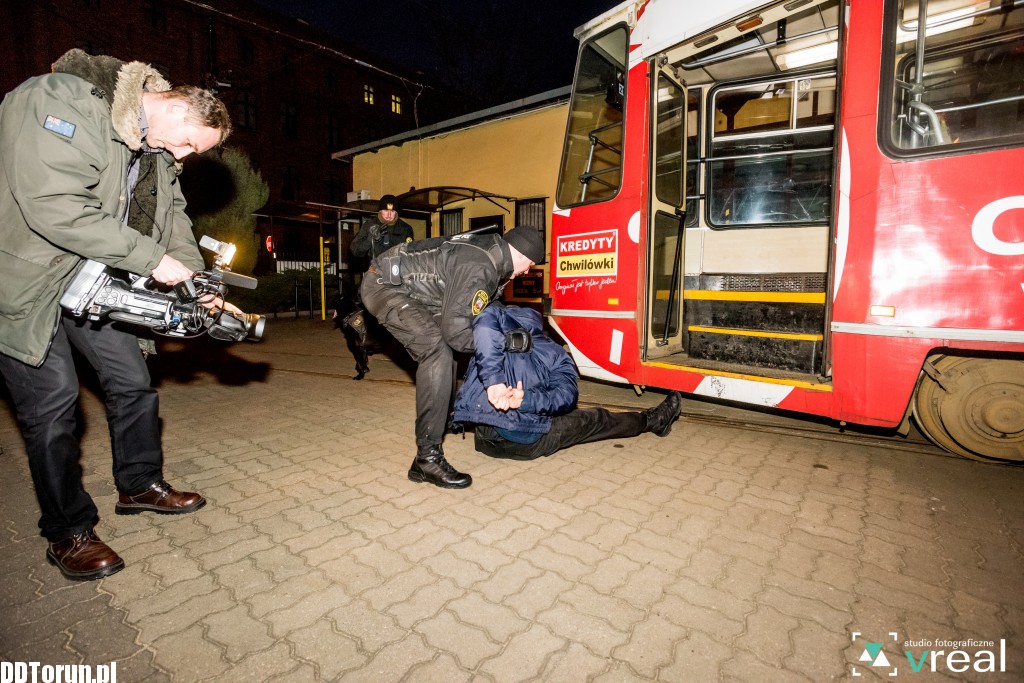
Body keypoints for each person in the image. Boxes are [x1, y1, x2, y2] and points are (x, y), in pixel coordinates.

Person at [0, 49, 231, 581]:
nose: (186, 155)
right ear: (174, 109)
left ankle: (139, 484)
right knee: (54, 402)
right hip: (26, 275)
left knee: (132, 379)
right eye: (190, 144)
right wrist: (151, 261)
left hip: (91, 278)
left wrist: (199, 285)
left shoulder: (154, 148)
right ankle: (67, 531)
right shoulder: (56, 101)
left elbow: (172, 219)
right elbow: (53, 203)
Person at [360, 225, 546, 489]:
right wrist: (505, 344)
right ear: (519, 253)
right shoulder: (481, 265)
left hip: (419, 292)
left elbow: (483, 314)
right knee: (437, 350)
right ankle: (427, 459)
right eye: (529, 264)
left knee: (450, 348)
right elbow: (457, 334)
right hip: (385, 285)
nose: (527, 270)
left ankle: (446, 414)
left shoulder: (493, 260)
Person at [453, 304, 682, 460]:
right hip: (524, 442)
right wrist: (527, 401)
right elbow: (567, 396)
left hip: (484, 439)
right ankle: (654, 421)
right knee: (596, 419)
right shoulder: (555, 353)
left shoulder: (488, 348)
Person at [350, 194, 414, 260]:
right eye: (386, 211)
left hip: (397, 267)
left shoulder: (405, 228)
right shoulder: (370, 225)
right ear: (380, 211)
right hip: (376, 268)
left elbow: (411, 253)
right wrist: (370, 239)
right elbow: (355, 251)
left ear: (396, 212)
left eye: (392, 211)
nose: (389, 214)